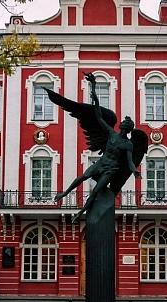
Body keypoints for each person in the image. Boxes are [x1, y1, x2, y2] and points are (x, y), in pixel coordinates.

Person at [52, 72, 144, 223]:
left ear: (126, 127)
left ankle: (80, 213)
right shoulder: (110, 133)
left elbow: (129, 161)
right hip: (101, 163)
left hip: (110, 170)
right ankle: (63, 194)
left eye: (124, 122)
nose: (121, 122)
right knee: (82, 177)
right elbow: (99, 116)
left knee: (95, 193)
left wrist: (134, 171)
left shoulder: (128, 144)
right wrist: (93, 90)